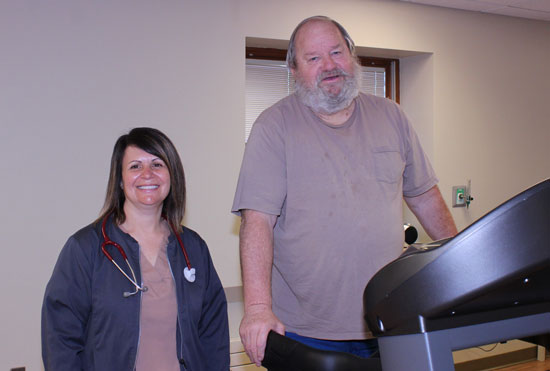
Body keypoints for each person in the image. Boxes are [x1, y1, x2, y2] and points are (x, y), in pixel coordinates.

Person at [232, 16, 457, 366]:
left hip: (390, 319)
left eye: (337, 52)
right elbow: (257, 220)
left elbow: (425, 196)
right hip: (306, 330)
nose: (329, 65)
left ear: (352, 55)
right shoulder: (273, 127)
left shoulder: (391, 116)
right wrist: (258, 309)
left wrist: (463, 265)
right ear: (294, 69)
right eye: (314, 58)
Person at [42, 127, 229, 371]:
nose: (147, 174)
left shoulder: (193, 249)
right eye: (135, 166)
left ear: (172, 175)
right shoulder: (85, 249)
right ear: (120, 180)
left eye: (157, 164)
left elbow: (214, 337)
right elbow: (60, 341)